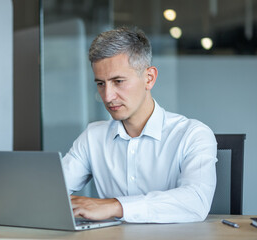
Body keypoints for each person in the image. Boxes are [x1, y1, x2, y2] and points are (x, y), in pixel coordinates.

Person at [62, 27, 217, 223]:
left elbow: (196, 201)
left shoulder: (193, 134)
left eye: (118, 81)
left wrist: (115, 206)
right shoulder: (93, 137)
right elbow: (52, 192)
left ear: (149, 78)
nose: (108, 97)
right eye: (101, 84)